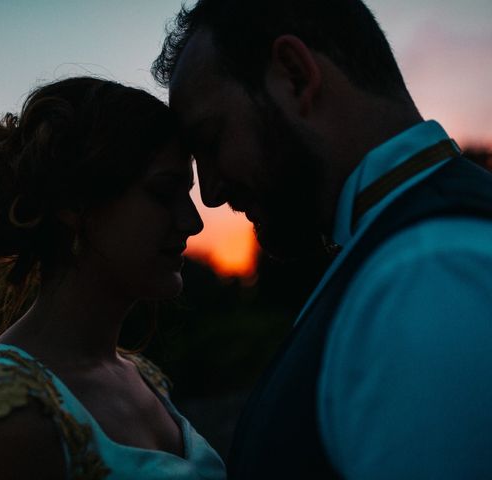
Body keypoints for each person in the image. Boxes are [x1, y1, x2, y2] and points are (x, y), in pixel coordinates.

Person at [152, 0, 492, 478]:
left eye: (210, 140)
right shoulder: (394, 248)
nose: (209, 192)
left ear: (294, 75)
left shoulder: (431, 274)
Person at [0, 77, 226, 479]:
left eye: (188, 194)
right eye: (163, 193)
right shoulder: (7, 420)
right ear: (75, 204)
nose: (192, 222)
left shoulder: (141, 377)